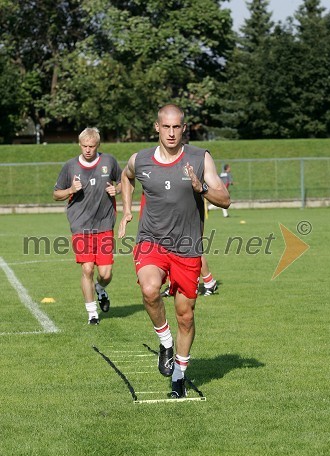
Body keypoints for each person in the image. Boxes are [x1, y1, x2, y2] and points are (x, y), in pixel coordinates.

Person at [118, 104, 230, 398]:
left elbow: (225, 199)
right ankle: (165, 341)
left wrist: (201, 187)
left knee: (186, 315)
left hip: (187, 247)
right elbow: (125, 177)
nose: (171, 133)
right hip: (151, 241)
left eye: (176, 127)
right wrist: (127, 210)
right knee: (150, 288)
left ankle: (179, 376)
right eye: (165, 127)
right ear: (157, 127)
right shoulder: (140, 159)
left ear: (184, 128)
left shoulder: (199, 157)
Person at [53, 127, 122, 325]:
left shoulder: (109, 161)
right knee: (88, 269)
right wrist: (70, 189)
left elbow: (124, 181)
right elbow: (56, 194)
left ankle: (100, 289)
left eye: (92, 146)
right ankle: (92, 313)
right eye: (84, 146)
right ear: (79, 144)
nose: (88, 150)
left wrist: (115, 189)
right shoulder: (70, 166)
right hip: (80, 224)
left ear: (97, 145)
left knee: (105, 274)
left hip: (104, 223)